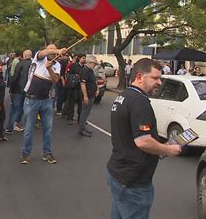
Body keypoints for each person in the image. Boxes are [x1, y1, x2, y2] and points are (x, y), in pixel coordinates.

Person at [107, 58, 181, 219]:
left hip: (119, 173)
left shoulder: (124, 95)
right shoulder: (140, 102)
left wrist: (158, 148)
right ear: (140, 77)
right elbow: (143, 141)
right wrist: (168, 149)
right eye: (155, 78)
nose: (159, 83)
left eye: (160, 78)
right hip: (133, 182)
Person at [21, 44, 66, 164]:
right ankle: (26, 153)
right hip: (31, 99)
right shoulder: (39, 58)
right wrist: (57, 50)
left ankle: (47, 153)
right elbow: (43, 52)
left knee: (48, 129)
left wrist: (49, 68)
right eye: (50, 49)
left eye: (54, 50)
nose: (52, 52)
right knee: (29, 129)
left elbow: (55, 80)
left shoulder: (57, 65)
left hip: (46, 100)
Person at [6, 50, 32, 134]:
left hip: (18, 89)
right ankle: (19, 123)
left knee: (15, 107)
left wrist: (11, 90)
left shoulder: (20, 64)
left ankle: (10, 127)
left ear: (24, 56)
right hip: (30, 89)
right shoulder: (34, 65)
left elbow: (15, 78)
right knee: (26, 108)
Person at [78, 55, 99, 137]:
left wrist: (97, 89)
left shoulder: (90, 70)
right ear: (90, 63)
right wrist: (85, 96)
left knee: (87, 112)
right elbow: (82, 84)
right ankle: (81, 129)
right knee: (84, 112)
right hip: (88, 95)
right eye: (94, 63)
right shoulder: (85, 71)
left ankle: (83, 128)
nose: (95, 65)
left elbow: (94, 80)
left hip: (92, 94)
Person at [65, 53, 85, 125]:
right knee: (71, 103)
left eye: (85, 58)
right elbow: (68, 75)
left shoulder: (84, 67)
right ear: (79, 58)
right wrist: (75, 76)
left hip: (82, 88)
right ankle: (70, 118)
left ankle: (81, 119)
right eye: (83, 58)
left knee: (81, 104)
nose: (84, 59)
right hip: (74, 87)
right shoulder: (73, 66)